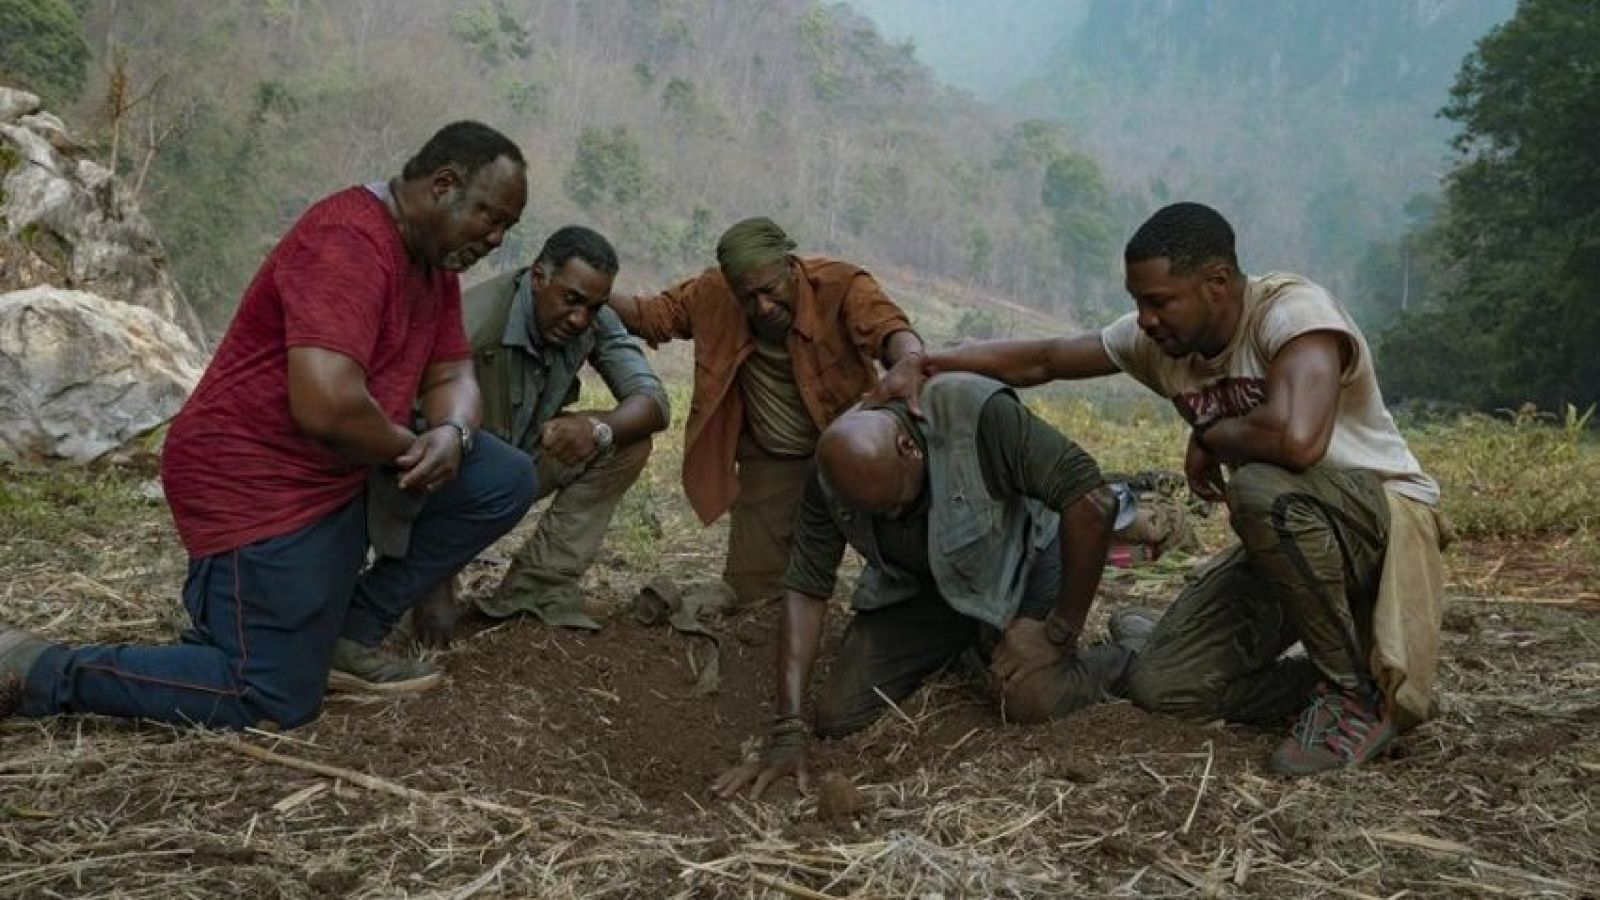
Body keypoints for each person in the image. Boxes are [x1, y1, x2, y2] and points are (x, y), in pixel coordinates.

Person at [0, 121, 537, 730]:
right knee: (269, 694)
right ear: (444, 186)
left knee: (501, 477)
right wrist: (413, 448)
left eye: (506, 229)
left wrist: (454, 436)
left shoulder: (434, 267)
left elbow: (452, 377)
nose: (495, 239)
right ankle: (37, 668)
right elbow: (326, 405)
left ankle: (346, 636)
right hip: (254, 480)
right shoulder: (348, 241)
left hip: (342, 471)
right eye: (490, 218)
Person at [890, 202, 1446, 776]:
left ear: (1218, 283)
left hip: (1381, 522)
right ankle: (1367, 683)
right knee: (1163, 685)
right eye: (1138, 302)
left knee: (1259, 490)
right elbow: (1045, 359)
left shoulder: (1292, 315)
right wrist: (927, 364)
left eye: (1158, 301)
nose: (1146, 318)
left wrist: (1213, 434)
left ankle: (1350, 696)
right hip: (1291, 543)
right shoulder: (1160, 345)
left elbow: (1298, 440)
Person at [713, 373, 1134, 799]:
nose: (893, 519)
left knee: (1029, 700)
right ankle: (974, 642)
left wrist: (1058, 631)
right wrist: (787, 729)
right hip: (930, 587)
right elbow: (807, 587)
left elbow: (1093, 502)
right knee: (839, 715)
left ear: (908, 447)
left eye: (897, 504)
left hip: (1027, 562)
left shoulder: (977, 415)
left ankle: (1128, 655)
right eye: (877, 515)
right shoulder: (831, 472)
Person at [607, 217, 924, 608]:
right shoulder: (714, 293)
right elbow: (651, 316)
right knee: (752, 594)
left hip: (849, 451)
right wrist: (595, 289)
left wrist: (909, 360)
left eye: (771, 290)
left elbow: (889, 328)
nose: (763, 307)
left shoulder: (841, 286)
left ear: (791, 267)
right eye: (748, 297)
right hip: (773, 461)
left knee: (903, 566)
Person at [411, 226, 669, 641]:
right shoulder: (472, 325)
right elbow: (407, 439)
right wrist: (432, 567)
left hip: (518, 463)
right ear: (538, 278)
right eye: (571, 301)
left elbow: (653, 401)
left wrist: (597, 429)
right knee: (432, 624)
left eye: (593, 306)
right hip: (452, 478)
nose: (580, 318)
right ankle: (428, 567)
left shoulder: (593, 319)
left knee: (627, 440)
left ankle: (536, 588)